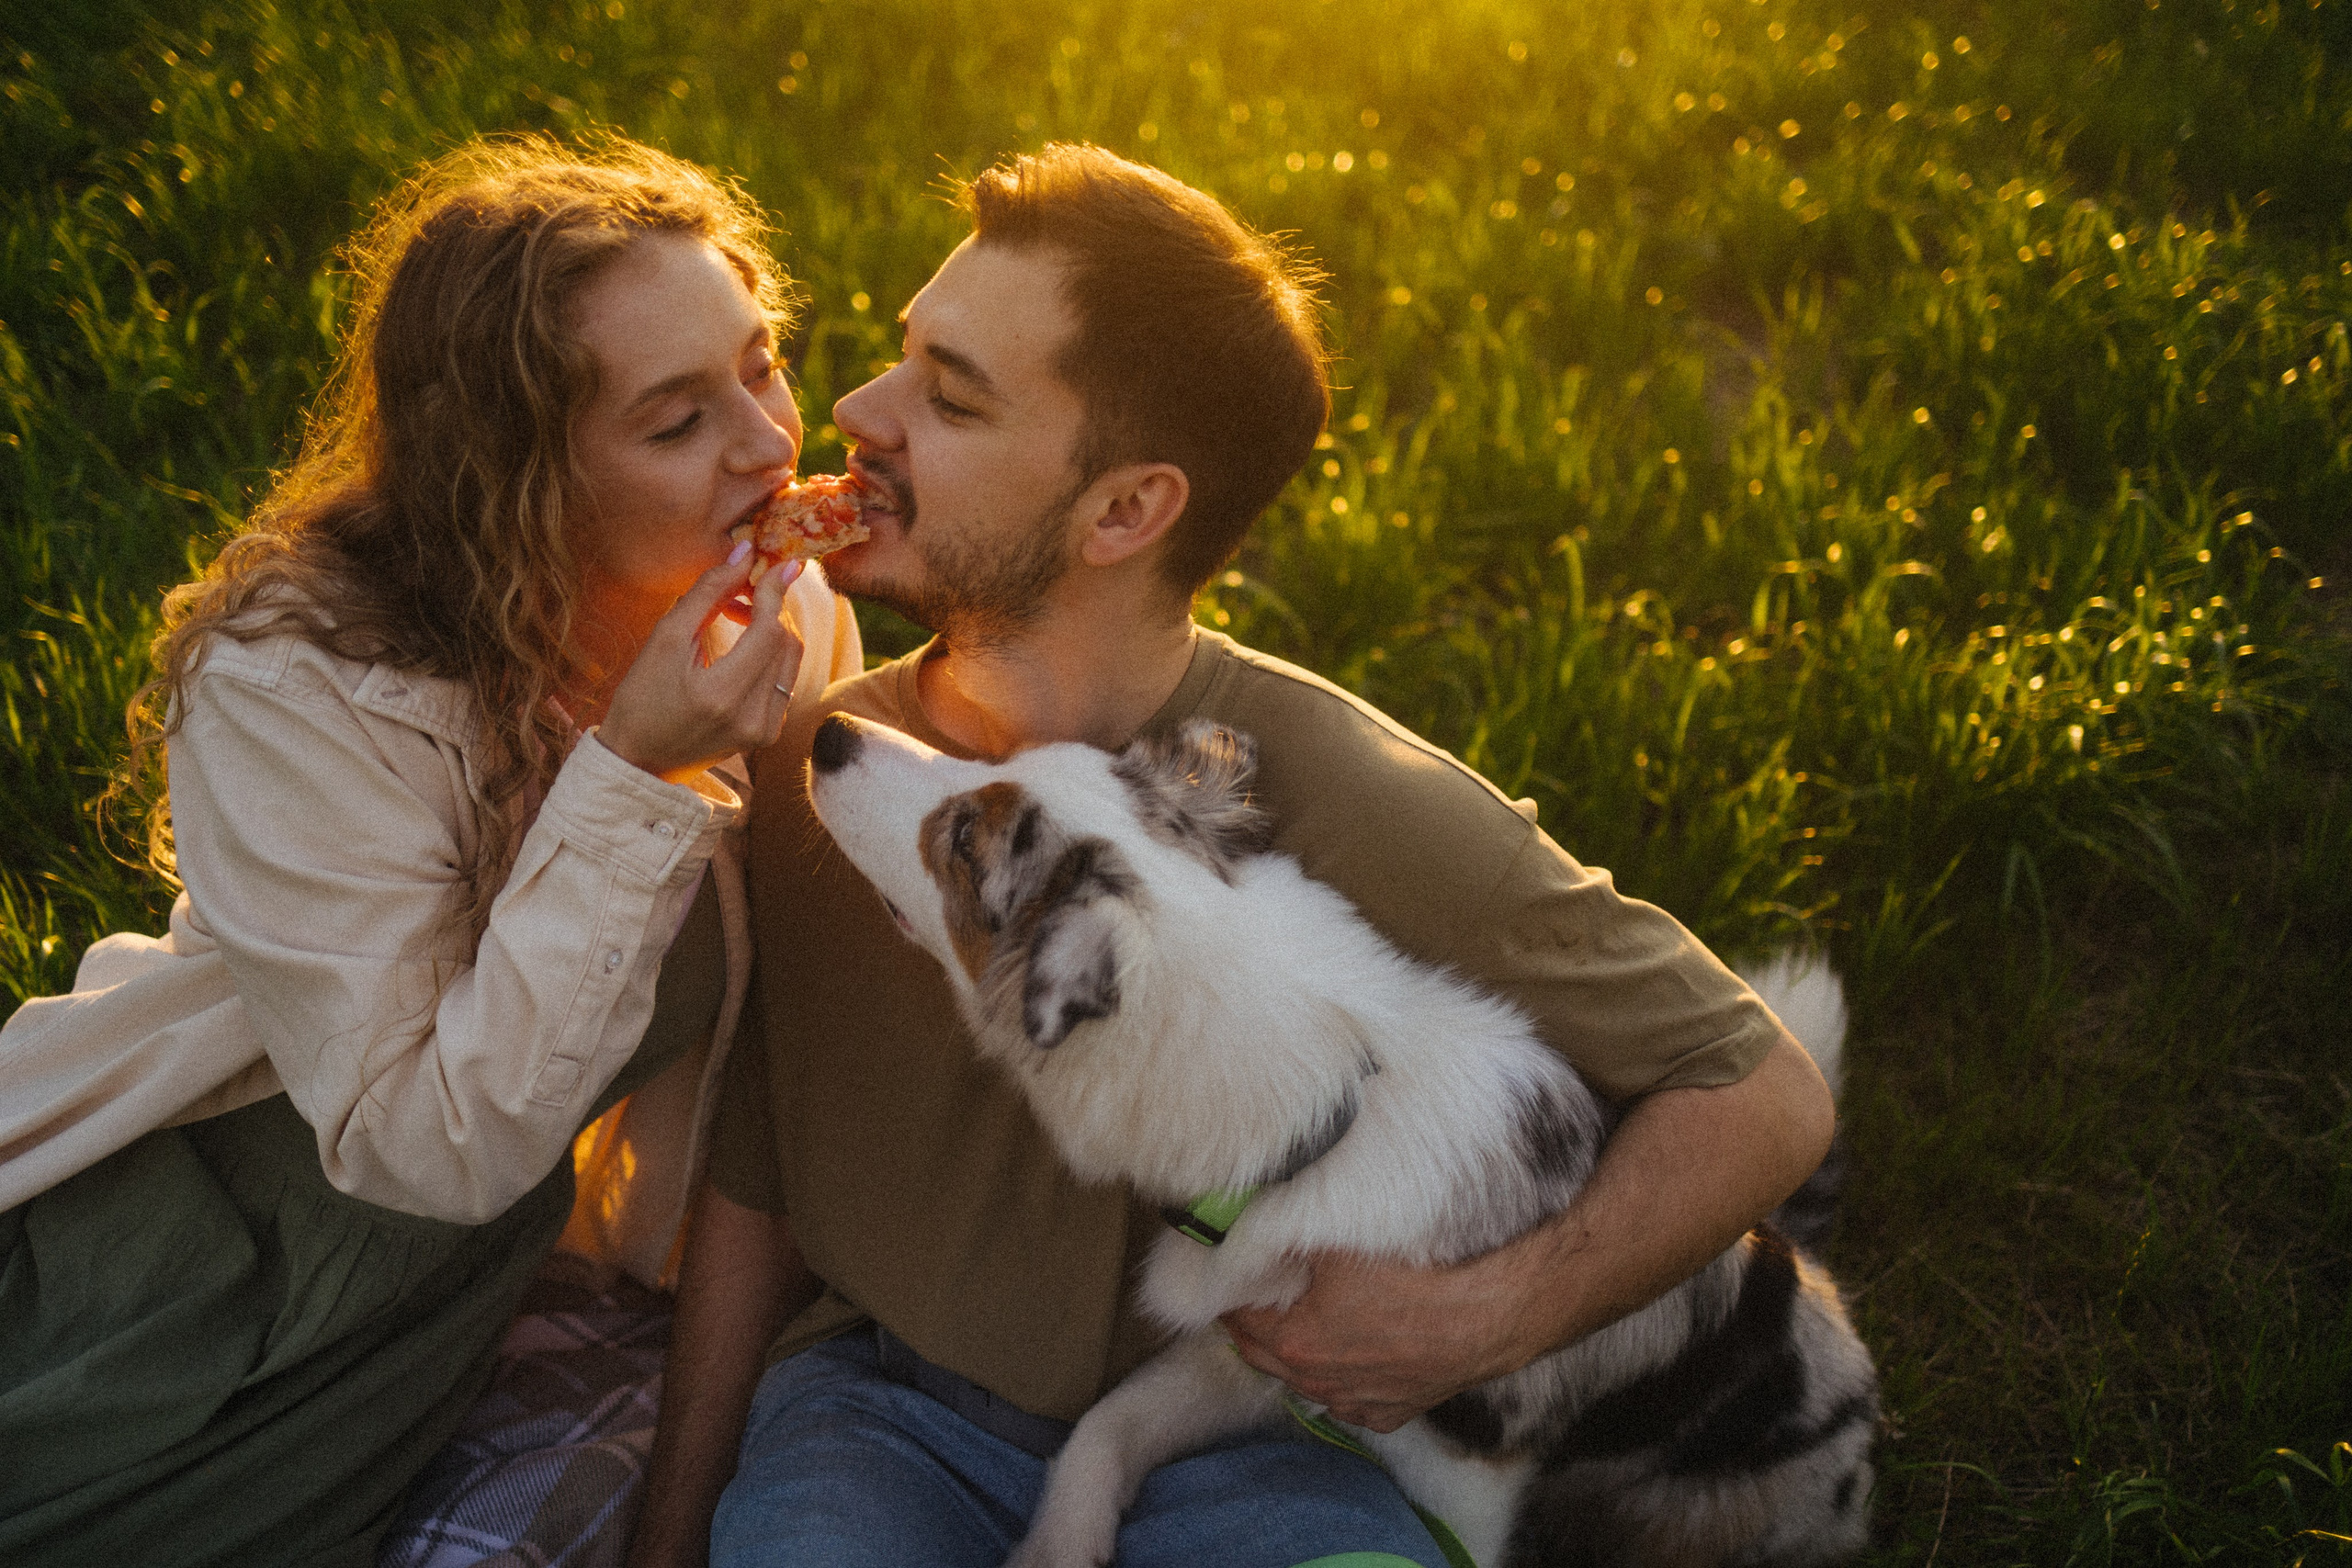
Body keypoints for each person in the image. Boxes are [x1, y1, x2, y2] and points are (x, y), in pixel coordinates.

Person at [628, 143, 1835, 1568]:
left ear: (1126, 512)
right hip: (876, 1410)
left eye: (950, 396)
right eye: (904, 358)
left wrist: (1478, 1321)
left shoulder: (1330, 785)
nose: (857, 412)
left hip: (1249, 1434)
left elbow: (1764, 1095)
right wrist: (669, 1525)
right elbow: (760, 1169)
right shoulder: (824, 769)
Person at [0, 135, 863, 1565]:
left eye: (760, 363)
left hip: (483, 1293)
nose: (772, 444)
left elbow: (792, 1015)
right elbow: (418, 1141)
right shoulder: (298, 687)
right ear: (522, 474)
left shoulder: (770, 606)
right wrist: (629, 776)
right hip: (211, 1291)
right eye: (675, 421)